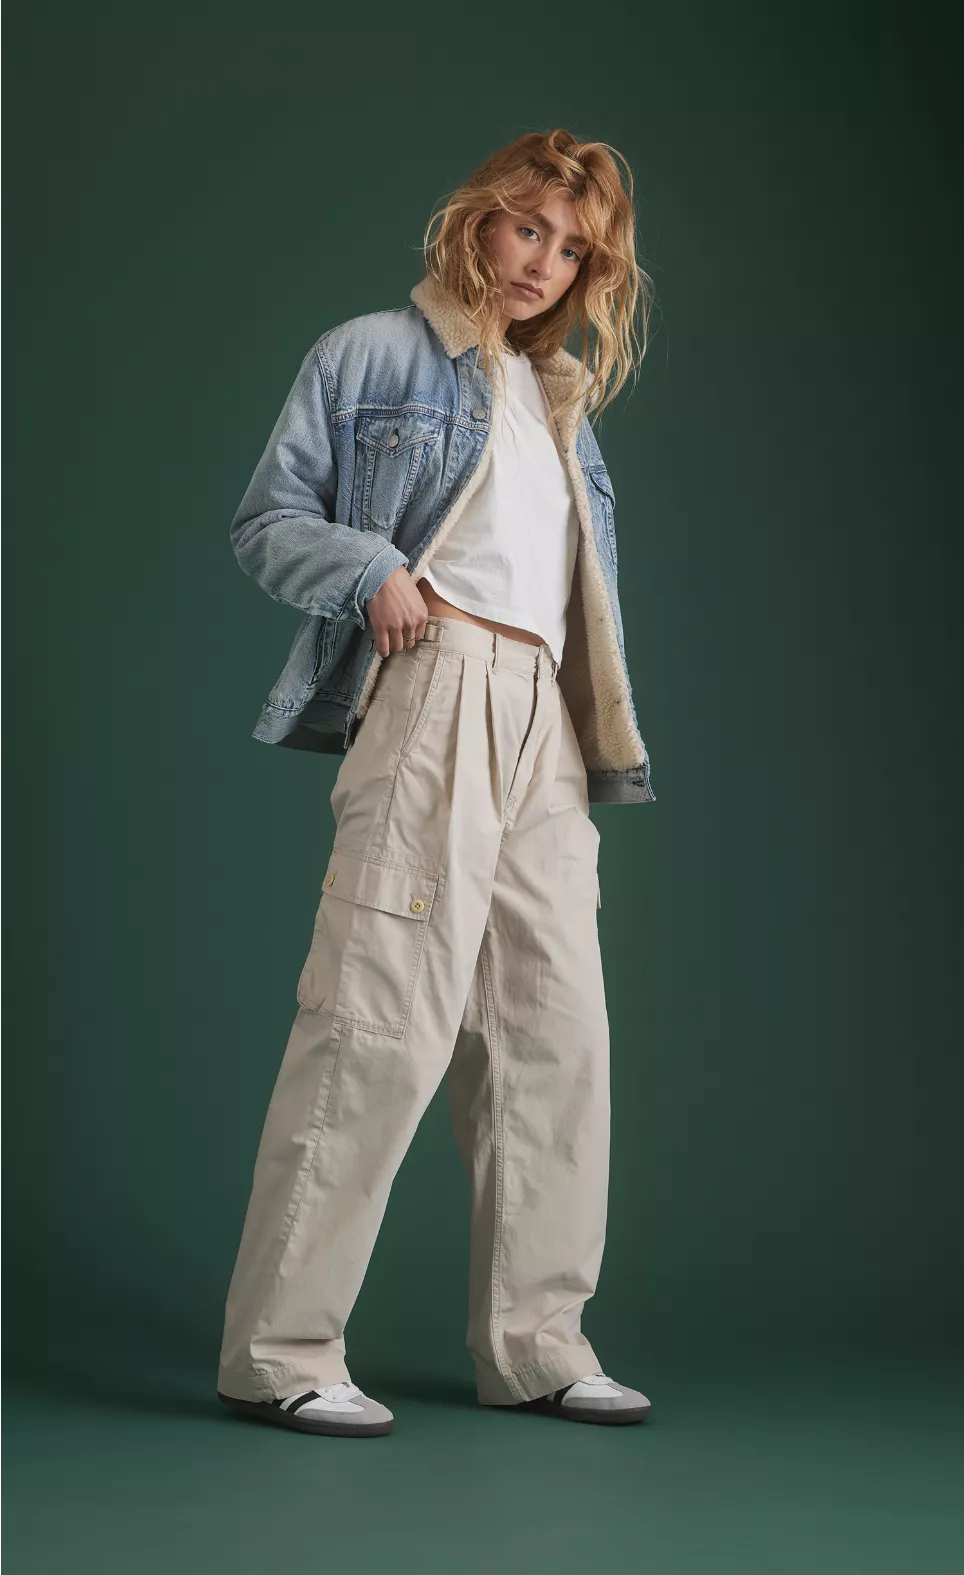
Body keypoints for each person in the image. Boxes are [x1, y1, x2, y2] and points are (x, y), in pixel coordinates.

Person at [215, 128, 656, 1437]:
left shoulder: (561, 400)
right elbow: (267, 521)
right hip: (437, 687)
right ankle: (281, 1352)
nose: (543, 261)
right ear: (478, 219)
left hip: (546, 720)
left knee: (556, 1036)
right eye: (529, 227)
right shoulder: (371, 354)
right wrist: (372, 572)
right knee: (380, 1015)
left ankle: (537, 1343)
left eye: (572, 248)